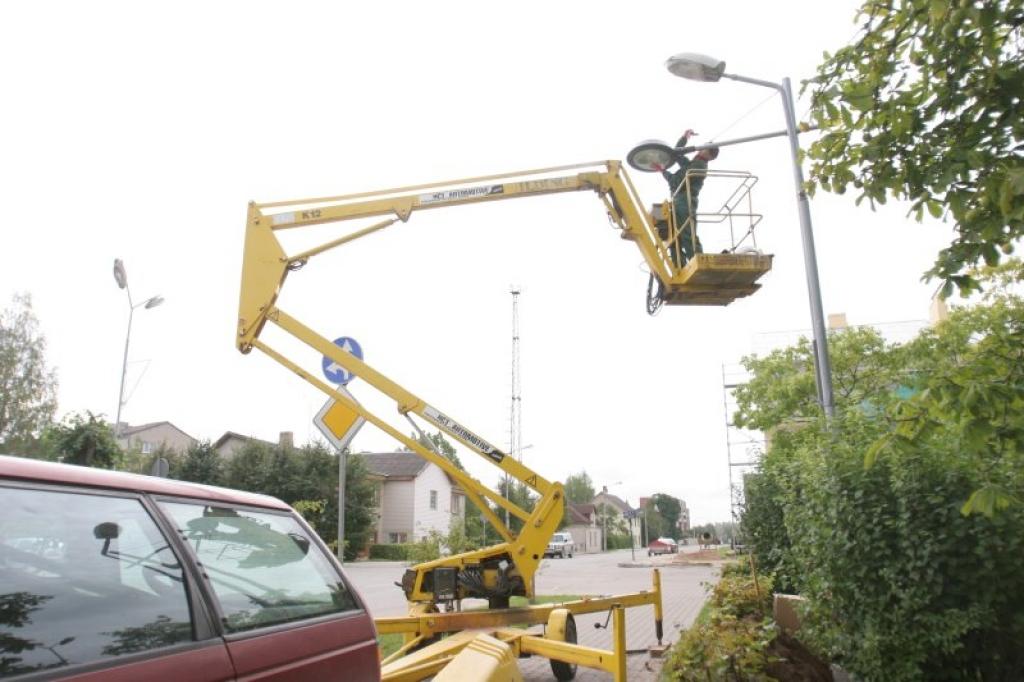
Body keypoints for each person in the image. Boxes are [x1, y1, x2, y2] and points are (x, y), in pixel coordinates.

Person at [660, 129, 719, 267]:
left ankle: (698, 263)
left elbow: (675, 181)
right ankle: (679, 267)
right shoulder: (693, 163)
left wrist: (663, 171)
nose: (699, 150)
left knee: (687, 234)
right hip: (678, 201)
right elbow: (677, 153)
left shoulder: (698, 166)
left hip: (684, 202)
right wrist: (685, 138)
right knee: (674, 236)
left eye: (704, 149)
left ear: (709, 155)